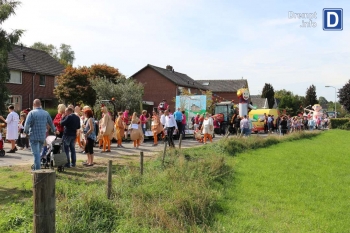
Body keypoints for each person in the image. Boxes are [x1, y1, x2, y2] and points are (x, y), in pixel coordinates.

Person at [23, 99, 56, 170]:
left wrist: (25, 132)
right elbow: (51, 122)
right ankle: (35, 167)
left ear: (34, 105)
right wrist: (54, 130)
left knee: (36, 154)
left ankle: (37, 170)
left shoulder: (31, 113)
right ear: (40, 104)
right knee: (38, 153)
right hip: (42, 136)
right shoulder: (46, 113)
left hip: (33, 135)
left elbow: (27, 124)